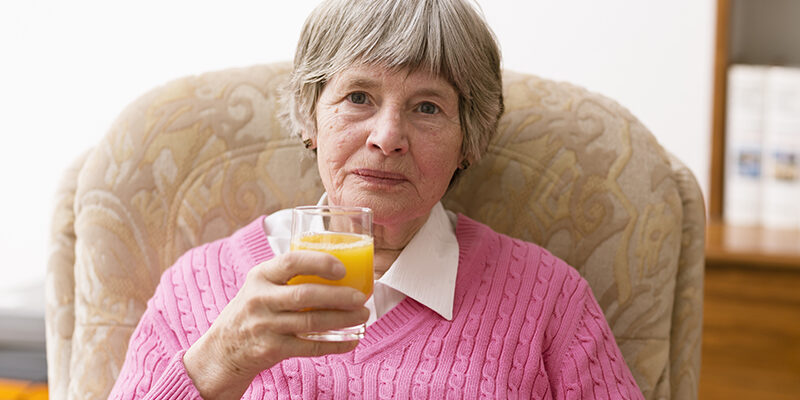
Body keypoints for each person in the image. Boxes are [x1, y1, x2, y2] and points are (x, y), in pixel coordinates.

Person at [109, 0, 644, 398]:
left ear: (469, 140)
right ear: (310, 117)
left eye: (428, 107)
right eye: (358, 96)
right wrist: (218, 359)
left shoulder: (548, 298)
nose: (387, 136)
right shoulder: (199, 287)